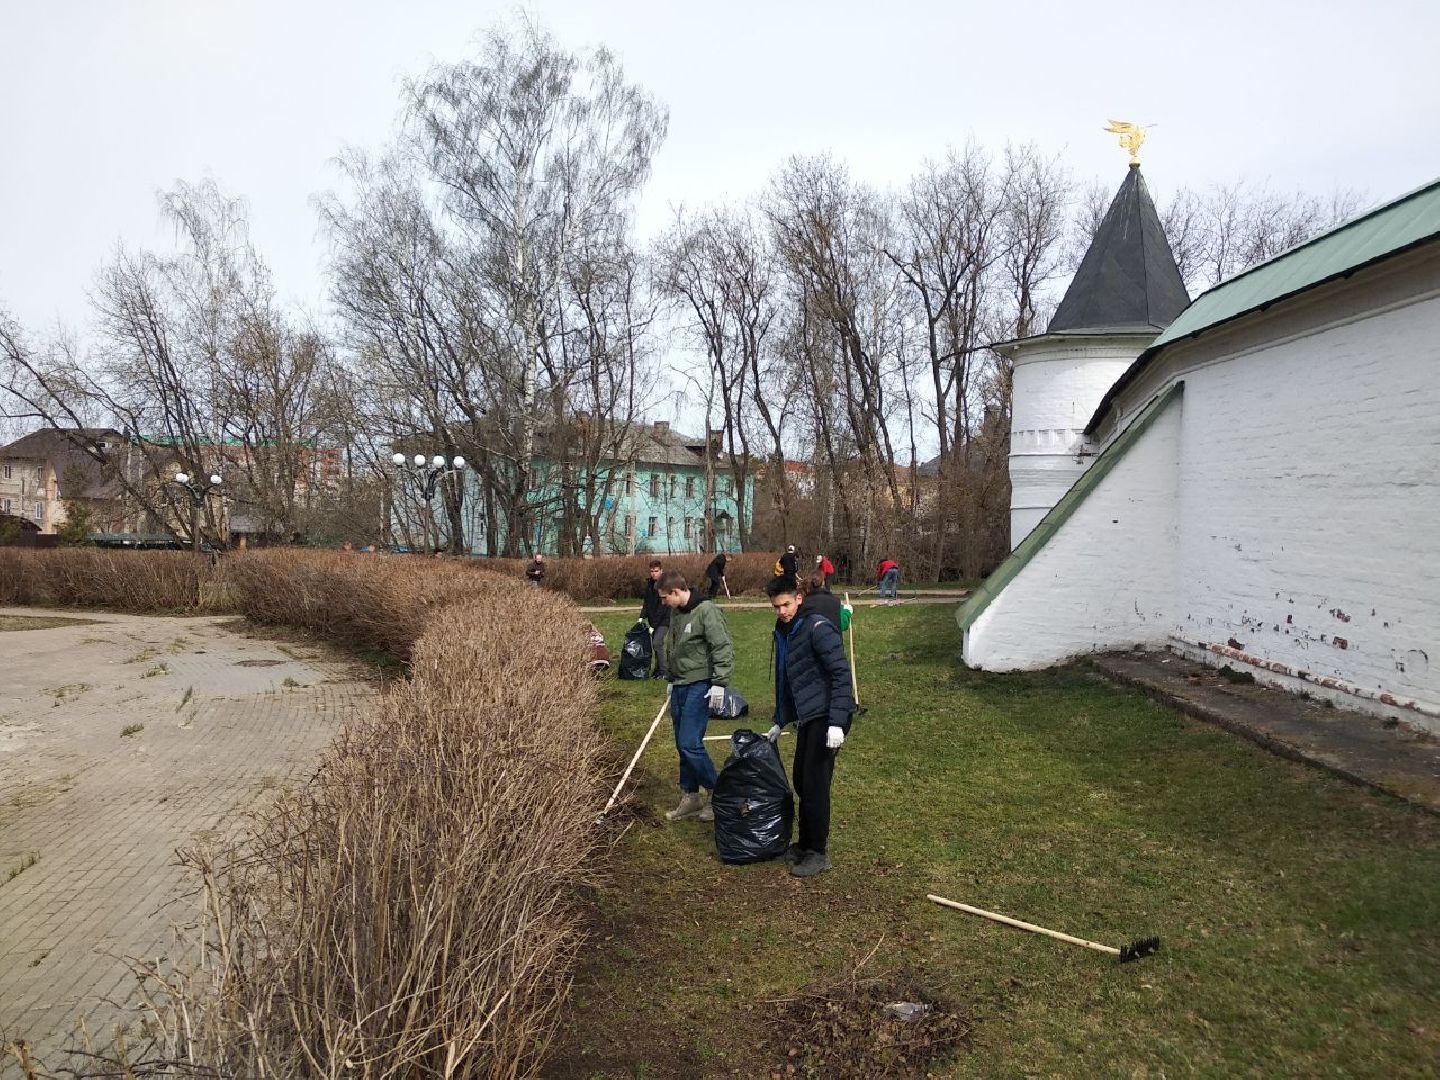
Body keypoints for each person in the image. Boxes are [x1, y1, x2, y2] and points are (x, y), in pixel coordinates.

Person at [765, 575, 854, 877]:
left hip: (828, 715)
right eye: (776, 607)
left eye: (786, 604)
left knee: (815, 785)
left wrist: (838, 723)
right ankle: (804, 844)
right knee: (802, 781)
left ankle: (818, 852)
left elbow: (842, 675)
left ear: (799, 598)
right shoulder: (786, 631)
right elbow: (789, 680)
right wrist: (780, 719)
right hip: (809, 715)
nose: (782, 611)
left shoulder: (817, 628)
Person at [660, 569, 735, 822]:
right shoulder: (676, 613)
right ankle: (690, 795)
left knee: (690, 743)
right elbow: (673, 647)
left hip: (700, 685)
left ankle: (718, 792)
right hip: (680, 684)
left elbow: (721, 645)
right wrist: (671, 678)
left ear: (676, 592)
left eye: (664, 598)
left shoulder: (706, 610)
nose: (663, 603)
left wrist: (719, 683)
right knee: (682, 745)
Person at [640, 559, 671, 679]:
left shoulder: (664, 585)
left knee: (657, 643)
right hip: (653, 619)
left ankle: (664, 671)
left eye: (656, 571)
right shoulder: (649, 584)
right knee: (655, 645)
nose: (653, 573)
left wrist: (654, 625)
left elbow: (662, 608)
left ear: (661, 571)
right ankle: (658, 670)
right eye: (652, 571)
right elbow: (647, 603)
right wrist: (641, 617)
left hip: (664, 619)